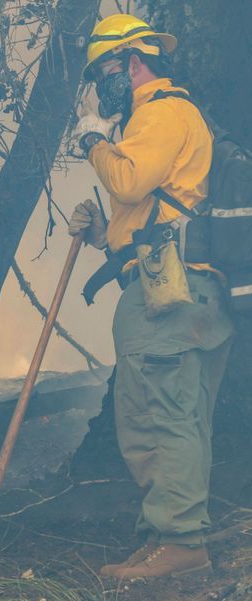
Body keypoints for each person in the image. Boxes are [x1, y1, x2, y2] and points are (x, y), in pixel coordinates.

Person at [70, 14, 234, 580]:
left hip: (170, 295)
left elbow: (131, 181)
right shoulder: (164, 117)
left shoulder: (161, 112)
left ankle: (182, 542)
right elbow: (151, 212)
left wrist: (93, 138)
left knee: (164, 419)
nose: (100, 85)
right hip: (171, 283)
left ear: (134, 62)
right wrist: (101, 234)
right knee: (164, 418)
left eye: (105, 70)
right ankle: (165, 538)